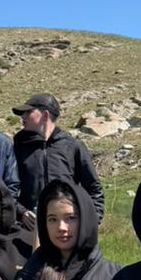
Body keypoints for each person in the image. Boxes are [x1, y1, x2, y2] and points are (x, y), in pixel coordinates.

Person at [12, 94, 104, 223]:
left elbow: (94, 188)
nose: (23, 117)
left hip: (66, 226)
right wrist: (21, 212)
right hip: (30, 226)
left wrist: (92, 221)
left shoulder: (72, 146)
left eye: (28, 112)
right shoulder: (18, 147)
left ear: (45, 115)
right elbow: (8, 188)